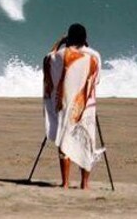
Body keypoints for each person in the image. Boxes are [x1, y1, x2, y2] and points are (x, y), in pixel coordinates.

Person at [42, 23, 103, 190]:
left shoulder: (61, 55)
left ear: (69, 38)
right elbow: (96, 80)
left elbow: (47, 60)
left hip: (66, 105)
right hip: (87, 106)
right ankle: (85, 183)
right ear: (85, 39)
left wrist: (60, 42)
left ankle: (66, 182)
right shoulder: (94, 56)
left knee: (65, 140)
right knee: (87, 142)